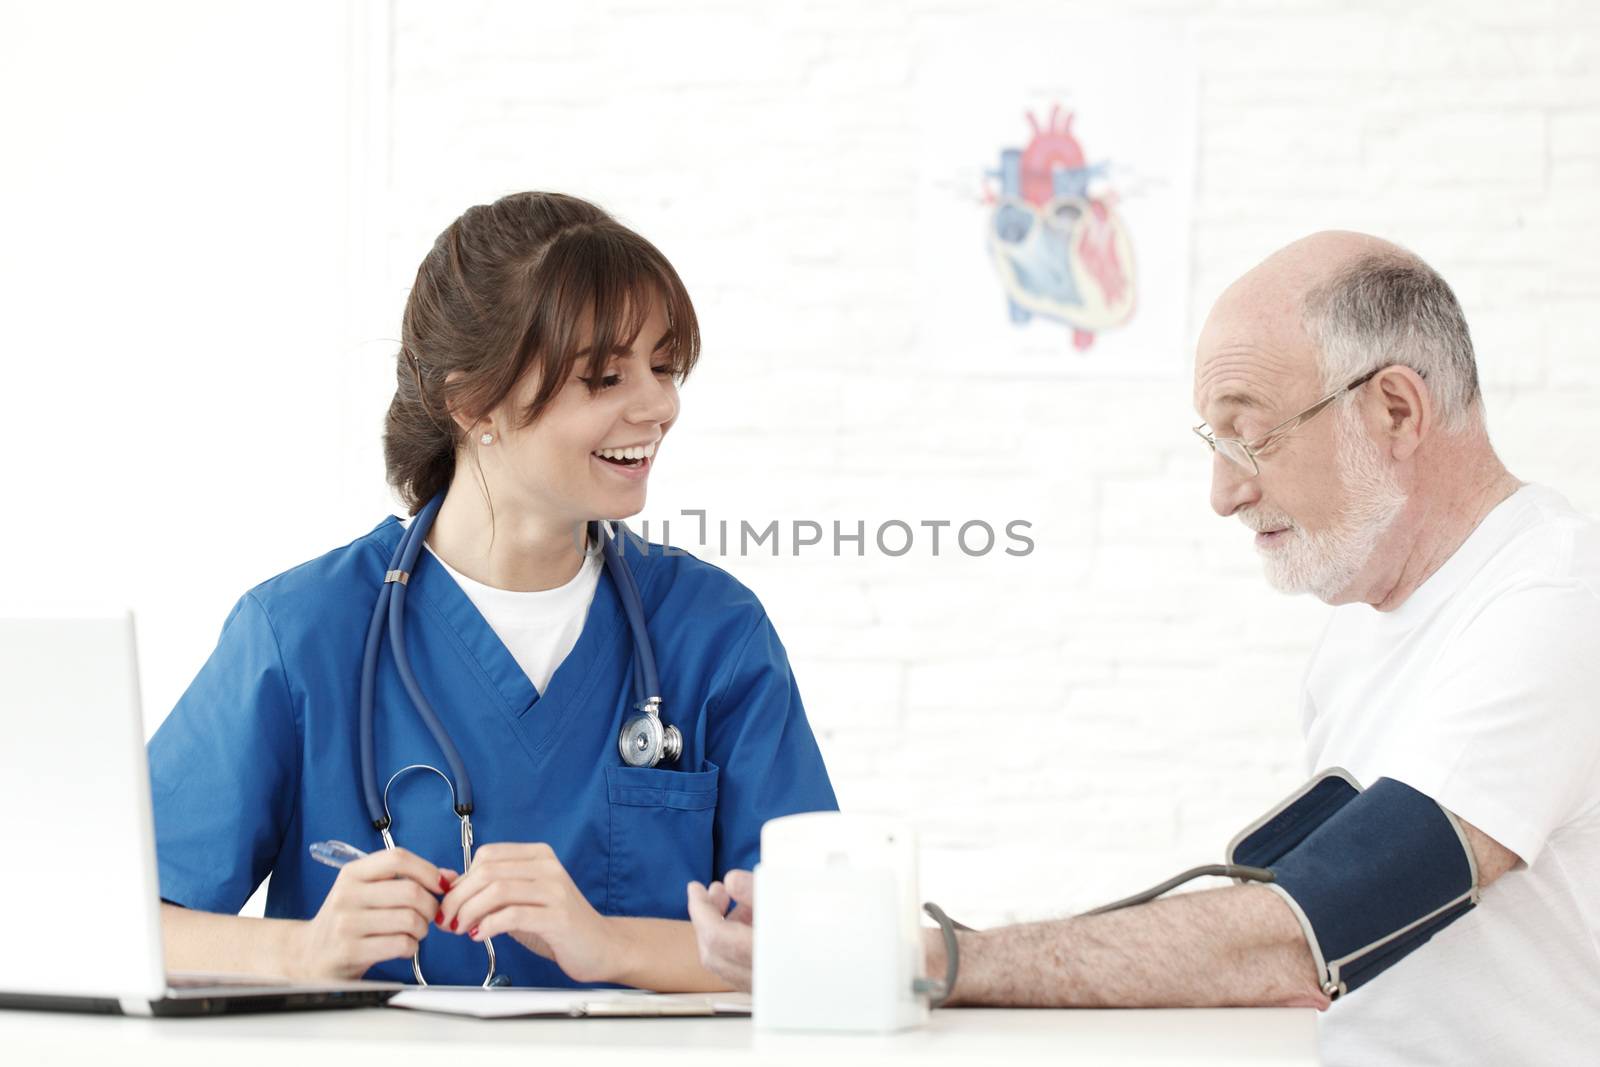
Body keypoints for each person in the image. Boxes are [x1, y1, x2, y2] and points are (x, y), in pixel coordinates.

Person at [688, 231, 1600, 1064]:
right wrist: (864, 933)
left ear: (1397, 410)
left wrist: (920, 958)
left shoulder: (1555, 603)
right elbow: (1289, 935)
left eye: (1250, 436)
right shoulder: (1362, 623)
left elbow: (1309, 929)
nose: (1223, 492)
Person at [150, 191, 837, 990]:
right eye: (605, 376)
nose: (659, 405)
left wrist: (608, 943)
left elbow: (823, 940)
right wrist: (302, 952)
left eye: (664, 366)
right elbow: (107, 920)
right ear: (471, 401)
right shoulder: (304, 630)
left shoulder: (713, 633)